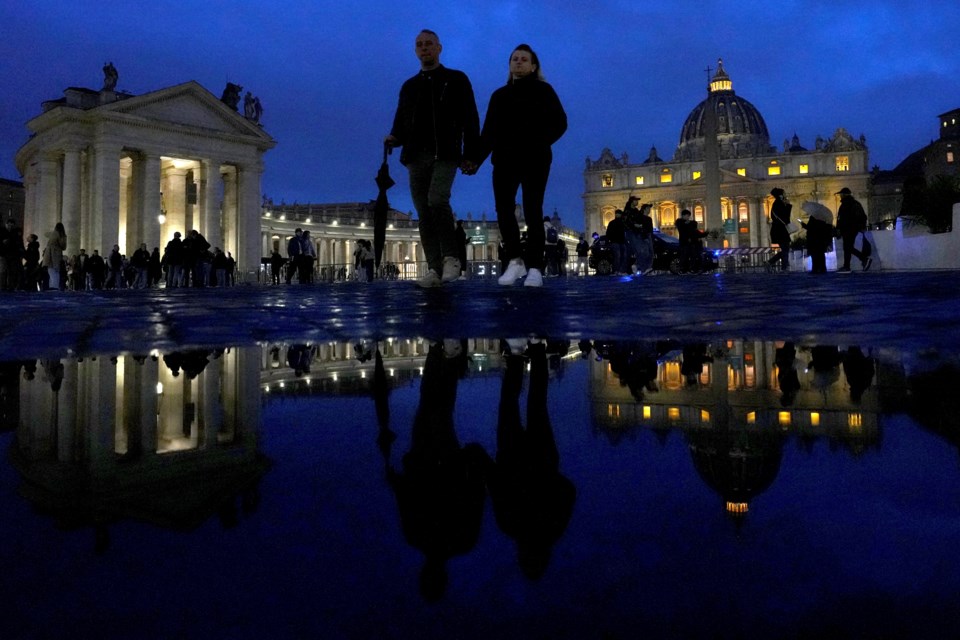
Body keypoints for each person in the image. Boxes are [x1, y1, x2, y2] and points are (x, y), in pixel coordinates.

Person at [385, 29, 480, 288]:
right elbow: (401, 120)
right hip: (415, 155)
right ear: (416, 51)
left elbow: (470, 117)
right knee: (424, 212)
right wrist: (394, 137)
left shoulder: (457, 79)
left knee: (437, 199)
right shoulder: (409, 86)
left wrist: (472, 154)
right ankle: (434, 269)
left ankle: (451, 258)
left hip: (446, 152)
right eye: (419, 45)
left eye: (429, 44)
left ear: (439, 48)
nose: (424, 48)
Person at [467, 43, 567, 288]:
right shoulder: (499, 95)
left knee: (533, 211)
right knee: (503, 210)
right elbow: (488, 132)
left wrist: (541, 141)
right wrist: (474, 160)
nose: (518, 62)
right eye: (514, 59)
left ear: (533, 66)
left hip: (536, 158)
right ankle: (514, 260)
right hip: (504, 159)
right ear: (510, 64)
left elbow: (560, 122)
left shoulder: (545, 91)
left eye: (524, 59)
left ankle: (534, 267)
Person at [835, 187, 871, 272]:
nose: (840, 196)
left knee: (848, 248)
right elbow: (863, 216)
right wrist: (861, 227)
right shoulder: (856, 204)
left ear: (844, 195)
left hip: (848, 229)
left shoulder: (845, 205)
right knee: (848, 248)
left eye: (841, 194)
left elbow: (840, 219)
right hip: (854, 229)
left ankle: (863, 259)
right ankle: (847, 266)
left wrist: (838, 229)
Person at [623, 197, 654, 275]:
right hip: (631, 232)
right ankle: (642, 269)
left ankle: (639, 267)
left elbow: (640, 219)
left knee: (642, 250)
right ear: (632, 201)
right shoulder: (627, 211)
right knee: (639, 250)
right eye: (636, 200)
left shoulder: (636, 211)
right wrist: (634, 225)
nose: (637, 202)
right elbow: (625, 221)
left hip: (637, 232)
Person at [768, 188, 792, 272]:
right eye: (784, 193)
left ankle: (779, 265)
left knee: (785, 249)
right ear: (780, 195)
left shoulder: (777, 203)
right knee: (786, 249)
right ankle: (783, 267)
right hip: (780, 230)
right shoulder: (779, 203)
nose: (785, 194)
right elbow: (786, 218)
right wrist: (788, 206)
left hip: (778, 230)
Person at [676, 209, 706, 273]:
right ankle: (682, 269)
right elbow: (682, 228)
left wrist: (705, 234)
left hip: (691, 243)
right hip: (684, 242)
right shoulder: (679, 222)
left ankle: (691, 268)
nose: (688, 217)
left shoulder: (691, 224)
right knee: (684, 256)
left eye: (689, 216)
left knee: (692, 256)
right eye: (687, 216)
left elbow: (695, 231)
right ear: (683, 216)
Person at [42, 222, 67, 290]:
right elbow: (63, 246)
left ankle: (51, 286)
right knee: (55, 271)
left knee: (50, 270)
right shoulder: (61, 235)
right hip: (56, 253)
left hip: (48, 253)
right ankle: (54, 287)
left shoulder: (53, 234)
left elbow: (45, 233)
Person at [0, 218, 23, 291]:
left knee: (11, 271)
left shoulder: (14, 233)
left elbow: (19, 243)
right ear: (6, 224)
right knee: (3, 270)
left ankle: (10, 286)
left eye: (11, 226)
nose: (10, 227)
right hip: (4, 254)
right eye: (9, 225)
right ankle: (3, 286)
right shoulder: (2, 232)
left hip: (12, 254)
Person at [605, 210, 627, 275]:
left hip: (620, 242)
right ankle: (616, 271)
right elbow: (608, 233)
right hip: (616, 242)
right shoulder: (613, 223)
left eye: (619, 214)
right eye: (618, 214)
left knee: (621, 256)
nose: (618, 215)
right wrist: (611, 240)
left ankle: (620, 270)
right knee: (618, 256)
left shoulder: (620, 223)